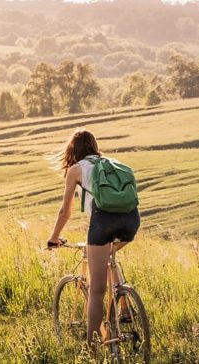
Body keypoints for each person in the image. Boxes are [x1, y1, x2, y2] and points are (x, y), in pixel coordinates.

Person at [46, 129, 140, 346]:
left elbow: (65, 212)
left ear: (72, 150)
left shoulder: (76, 169)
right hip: (131, 221)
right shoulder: (114, 163)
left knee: (97, 291)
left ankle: (91, 348)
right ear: (94, 146)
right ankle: (123, 304)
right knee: (106, 257)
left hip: (103, 223)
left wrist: (54, 238)